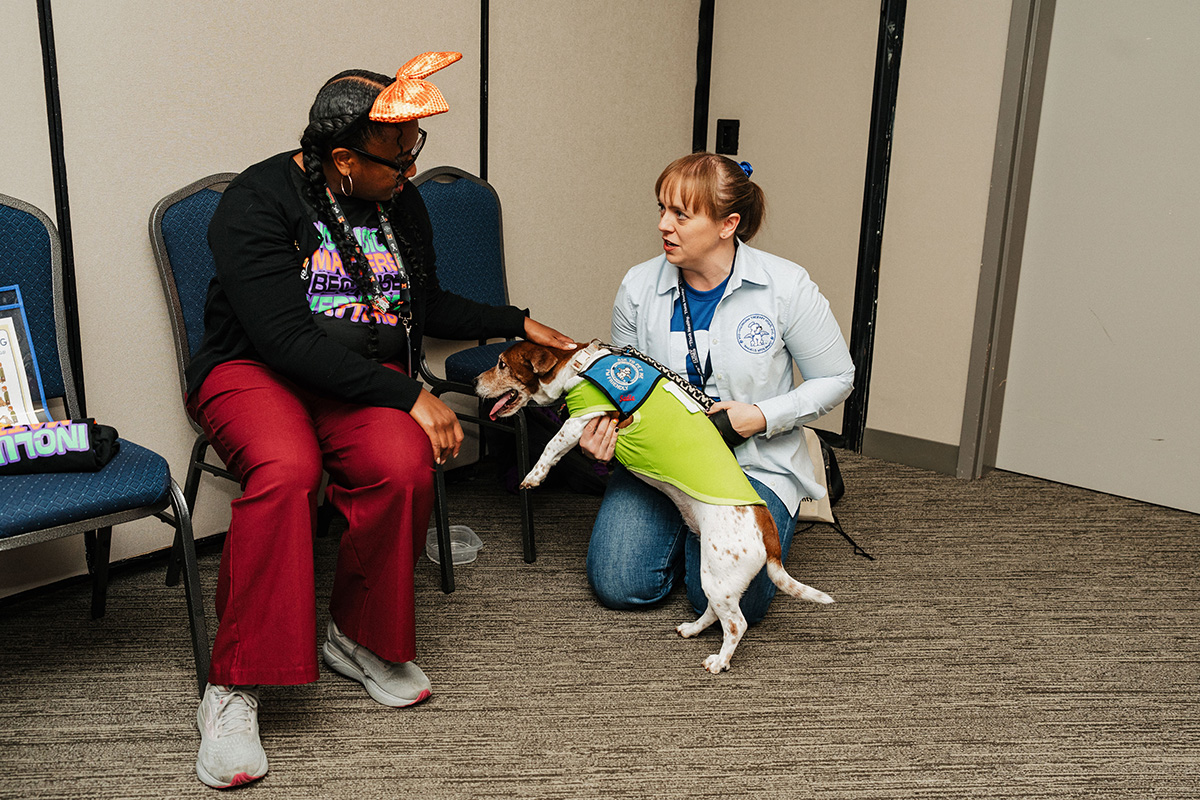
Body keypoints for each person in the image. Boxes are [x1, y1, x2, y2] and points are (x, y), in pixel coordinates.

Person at [183, 52, 574, 789]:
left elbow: (423, 304)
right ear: (340, 159)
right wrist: (408, 394)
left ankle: (358, 638)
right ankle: (233, 687)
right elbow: (283, 339)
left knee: (399, 460)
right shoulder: (256, 203)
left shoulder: (400, 203)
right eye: (397, 159)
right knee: (288, 468)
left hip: (355, 381)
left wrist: (519, 321)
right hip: (253, 371)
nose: (409, 172)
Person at [580, 152, 854, 629]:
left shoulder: (785, 286)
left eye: (681, 215)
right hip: (663, 461)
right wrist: (598, 426)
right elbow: (619, 381)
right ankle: (696, 533)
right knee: (620, 584)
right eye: (661, 209)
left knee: (735, 602)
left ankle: (734, 527)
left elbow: (837, 378)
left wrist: (762, 416)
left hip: (754, 458)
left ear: (728, 224)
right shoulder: (639, 286)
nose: (664, 225)